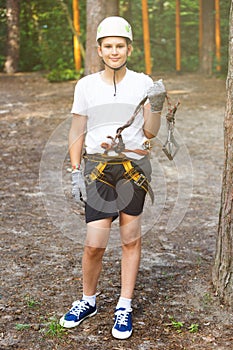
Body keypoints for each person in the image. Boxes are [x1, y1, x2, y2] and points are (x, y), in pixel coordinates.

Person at [59, 16, 166, 340]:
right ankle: (88, 300)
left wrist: (156, 106)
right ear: (100, 50)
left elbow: (149, 132)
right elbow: (77, 129)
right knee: (94, 244)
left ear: (129, 48)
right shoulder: (86, 85)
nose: (115, 51)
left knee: (130, 239)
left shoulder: (142, 82)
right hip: (98, 170)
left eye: (120, 46)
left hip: (133, 169)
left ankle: (124, 304)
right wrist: (76, 171)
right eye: (109, 46)